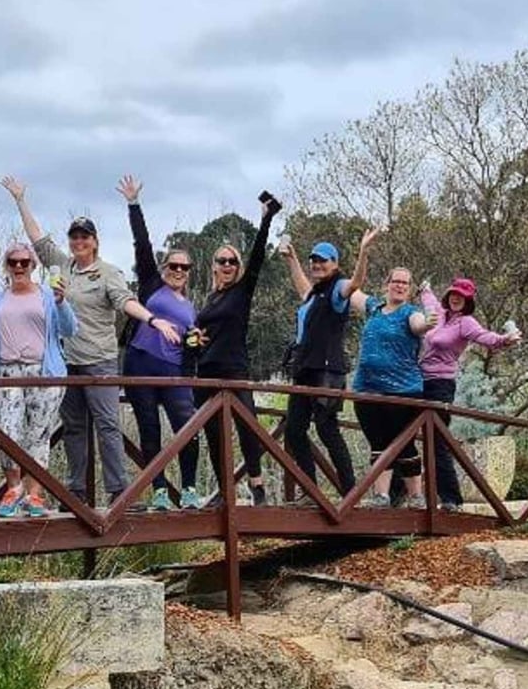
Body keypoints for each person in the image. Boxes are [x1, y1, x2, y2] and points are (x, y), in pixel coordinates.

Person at [1, 176, 175, 508]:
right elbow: (36, 237)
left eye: (84, 237)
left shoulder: (108, 272)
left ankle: (118, 491)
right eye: (74, 237)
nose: (78, 242)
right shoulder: (60, 265)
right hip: (68, 362)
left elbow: (125, 301)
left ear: (94, 241)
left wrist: (152, 319)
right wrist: (21, 200)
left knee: (108, 425)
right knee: (74, 428)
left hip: (101, 360)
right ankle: (75, 493)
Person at [187, 193, 281, 506]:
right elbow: (198, 336)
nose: (227, 265)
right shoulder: (209, 300)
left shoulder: (241, 292)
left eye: (232, 261)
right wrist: (194, 340)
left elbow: (257, 259)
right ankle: (225, 493)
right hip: (207, 372)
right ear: (213, 267)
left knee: (248, 427)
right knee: (214, 435)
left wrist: (266, 218)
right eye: (221, 261)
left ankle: (257, 488)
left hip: (234, 369)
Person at [116, 175, 200, 511]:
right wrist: (134, 204)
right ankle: (161, 491)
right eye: (174, 266)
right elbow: (142, 244)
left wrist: (195, 342)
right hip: (140, 363)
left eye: (184, 268)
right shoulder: (153, 286)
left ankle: (191, 489)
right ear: (165, 268)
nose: (178, 271)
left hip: (174, 370)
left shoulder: (191, 305)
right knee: (149, 429)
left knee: (187, 427)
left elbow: (191, 348)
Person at [407, 277, 520, 509]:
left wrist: (504, 340)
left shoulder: (466, 323)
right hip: (417, 381)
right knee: (403, 433)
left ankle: (451, 500)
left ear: (468, 301)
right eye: (454, 294)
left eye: (463, 296)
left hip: (440, 384)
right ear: (448, 295)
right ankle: (405, 495)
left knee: (436, 440)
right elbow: (428, 301)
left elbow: (485, 337)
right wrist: (425, 288)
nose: (457, 298)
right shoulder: (438, 312)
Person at [279, 229, 374, 499]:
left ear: (334, 264)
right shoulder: (315, 294)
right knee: (295, 430)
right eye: (314, 261)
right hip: (305, 369)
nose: (317, 265)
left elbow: (355, 283)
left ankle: (349, 491)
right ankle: (310, 490)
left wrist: (364, 251)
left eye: (323, 260)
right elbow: (302, 287)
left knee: (326, 427)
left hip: (327, 371)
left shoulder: (337, 289)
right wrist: (292, 259)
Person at [0, 241, 77, 517]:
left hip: (44, 371)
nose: (19, 266)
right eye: (13, 261)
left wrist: (62, 303)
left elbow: (70, 329)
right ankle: (13, 489)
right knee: (7, 432)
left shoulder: (49, 295)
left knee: (39, 434)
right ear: (7, 266)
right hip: (7, 372)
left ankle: (34, 494)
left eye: (25, 262)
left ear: (33, 266)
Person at [351, 266, 437, 507]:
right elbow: (349, 288)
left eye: (405, 283)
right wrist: (363, 252)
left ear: (409, 290)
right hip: (366, 388)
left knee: (403, 442)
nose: (399, 286)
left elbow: (418, 325)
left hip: (403, 391)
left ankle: (416, 497)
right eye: (396, 281)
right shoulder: (374, 308)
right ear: (386, 284)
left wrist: (428, 323)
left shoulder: (411, 312)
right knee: (378, 442)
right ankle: (381, 496)